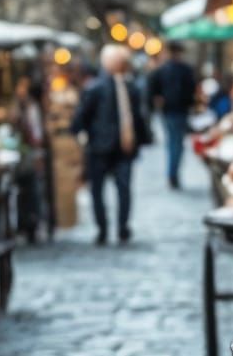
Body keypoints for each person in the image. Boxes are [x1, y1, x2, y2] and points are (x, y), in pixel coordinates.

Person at [71, 43, 149, 243]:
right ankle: (103, 228)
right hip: (100, 148)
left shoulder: (131, 87)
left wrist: (139, 140)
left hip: (124, 148)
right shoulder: (95, 88)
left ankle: (122, 227)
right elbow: (82, 116)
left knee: (123, 189)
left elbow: (137, 118)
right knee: (98, 191)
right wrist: (81, 134)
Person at [147, 41, 198, 191]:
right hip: (178, 111)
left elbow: (152, 90)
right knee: (176, 144)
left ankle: (172, 174)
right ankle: (173, 174)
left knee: (173, 143)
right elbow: (191, 91)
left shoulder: (163, 70)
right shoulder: (183, 70)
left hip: (170, 111)